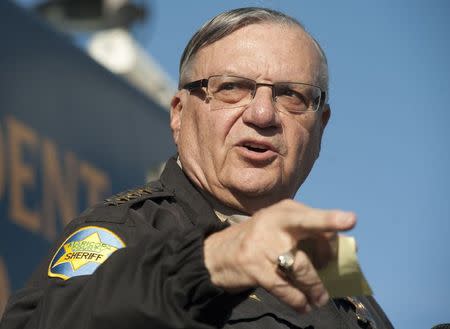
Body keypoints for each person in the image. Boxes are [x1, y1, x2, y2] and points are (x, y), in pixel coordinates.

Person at [0, 7, 394, 329]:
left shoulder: (327, 255)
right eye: (232, 87)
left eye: (291, 95)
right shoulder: (128, 229)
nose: (262, 114)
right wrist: (211, 262)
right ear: (179, 114)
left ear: (320, 125)